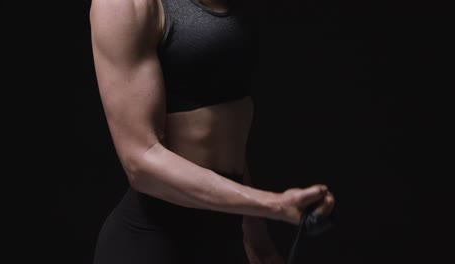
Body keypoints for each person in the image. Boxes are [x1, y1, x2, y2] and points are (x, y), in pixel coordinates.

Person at [90, 0, 335, 263]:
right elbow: (141, 161)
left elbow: (225, 140)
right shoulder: (123, 5)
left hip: (222, 243)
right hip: (152, 245)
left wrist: (259, 245)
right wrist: (274, 205)